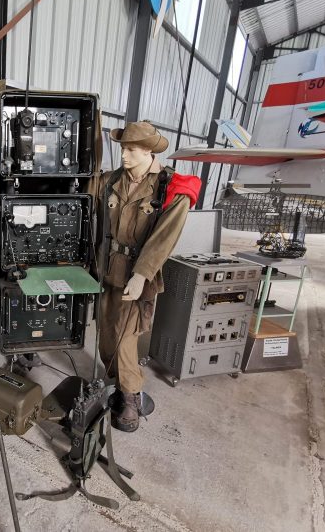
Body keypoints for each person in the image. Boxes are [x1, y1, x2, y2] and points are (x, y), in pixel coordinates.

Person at [96, 121, 201, 432]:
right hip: (106, 269)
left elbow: (163, 239)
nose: (124, 155)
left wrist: (142, 275)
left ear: (148, 152)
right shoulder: (112, 180)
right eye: (122, 149)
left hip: (137, 272)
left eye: (130, 150)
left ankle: (131, 395)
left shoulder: (171, 188)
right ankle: (117, 382)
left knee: (126, 336)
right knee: (107, 332)